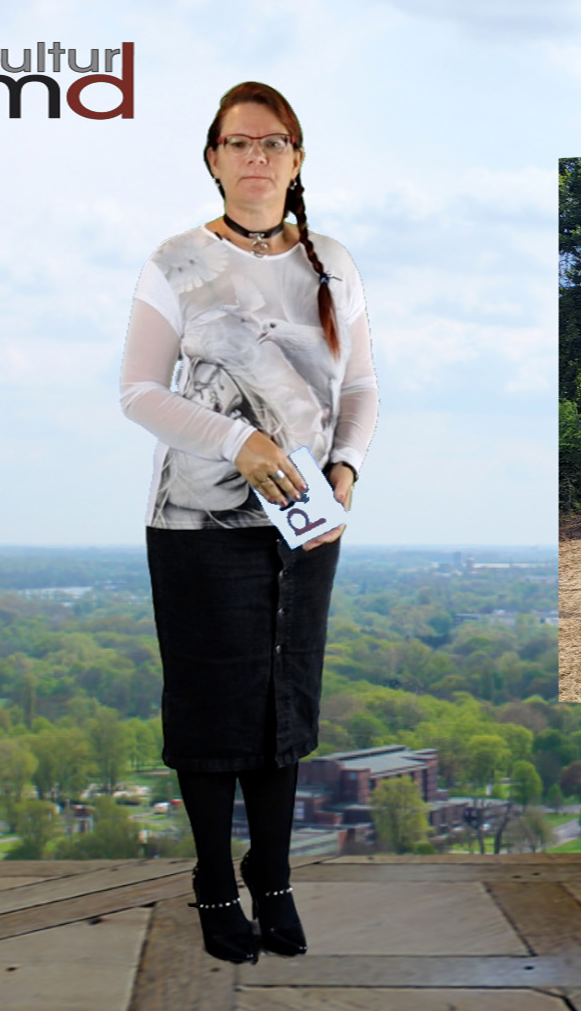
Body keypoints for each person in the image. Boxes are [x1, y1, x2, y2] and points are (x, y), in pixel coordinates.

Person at [119, 82, 377, 963]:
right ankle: (211, 881)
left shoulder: (333, 261)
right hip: (196, 525)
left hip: (305, 523)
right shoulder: (176, 261)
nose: (256, 157)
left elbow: (364, 387)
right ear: (213, 157)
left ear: (298, 160)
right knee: (210, 708)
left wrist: (343, 470)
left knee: (282, 706)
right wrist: (237, 441)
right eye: (239, 143)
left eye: (274, 143)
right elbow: (139, 394)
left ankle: (273, 879)